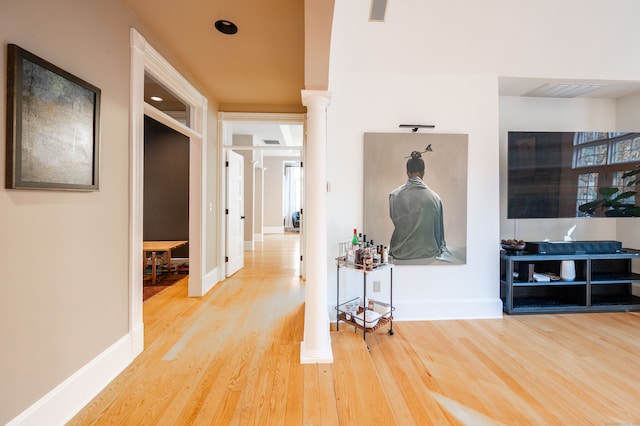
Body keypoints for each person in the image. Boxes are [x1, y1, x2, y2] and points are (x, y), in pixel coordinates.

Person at [388, 149, 447, 261]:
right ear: (423, 172)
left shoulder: (394, 195)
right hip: (428, 253)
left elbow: (396, 221)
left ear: (407, 172)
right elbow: (438, 232)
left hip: (400, 252)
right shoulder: (435, 198)